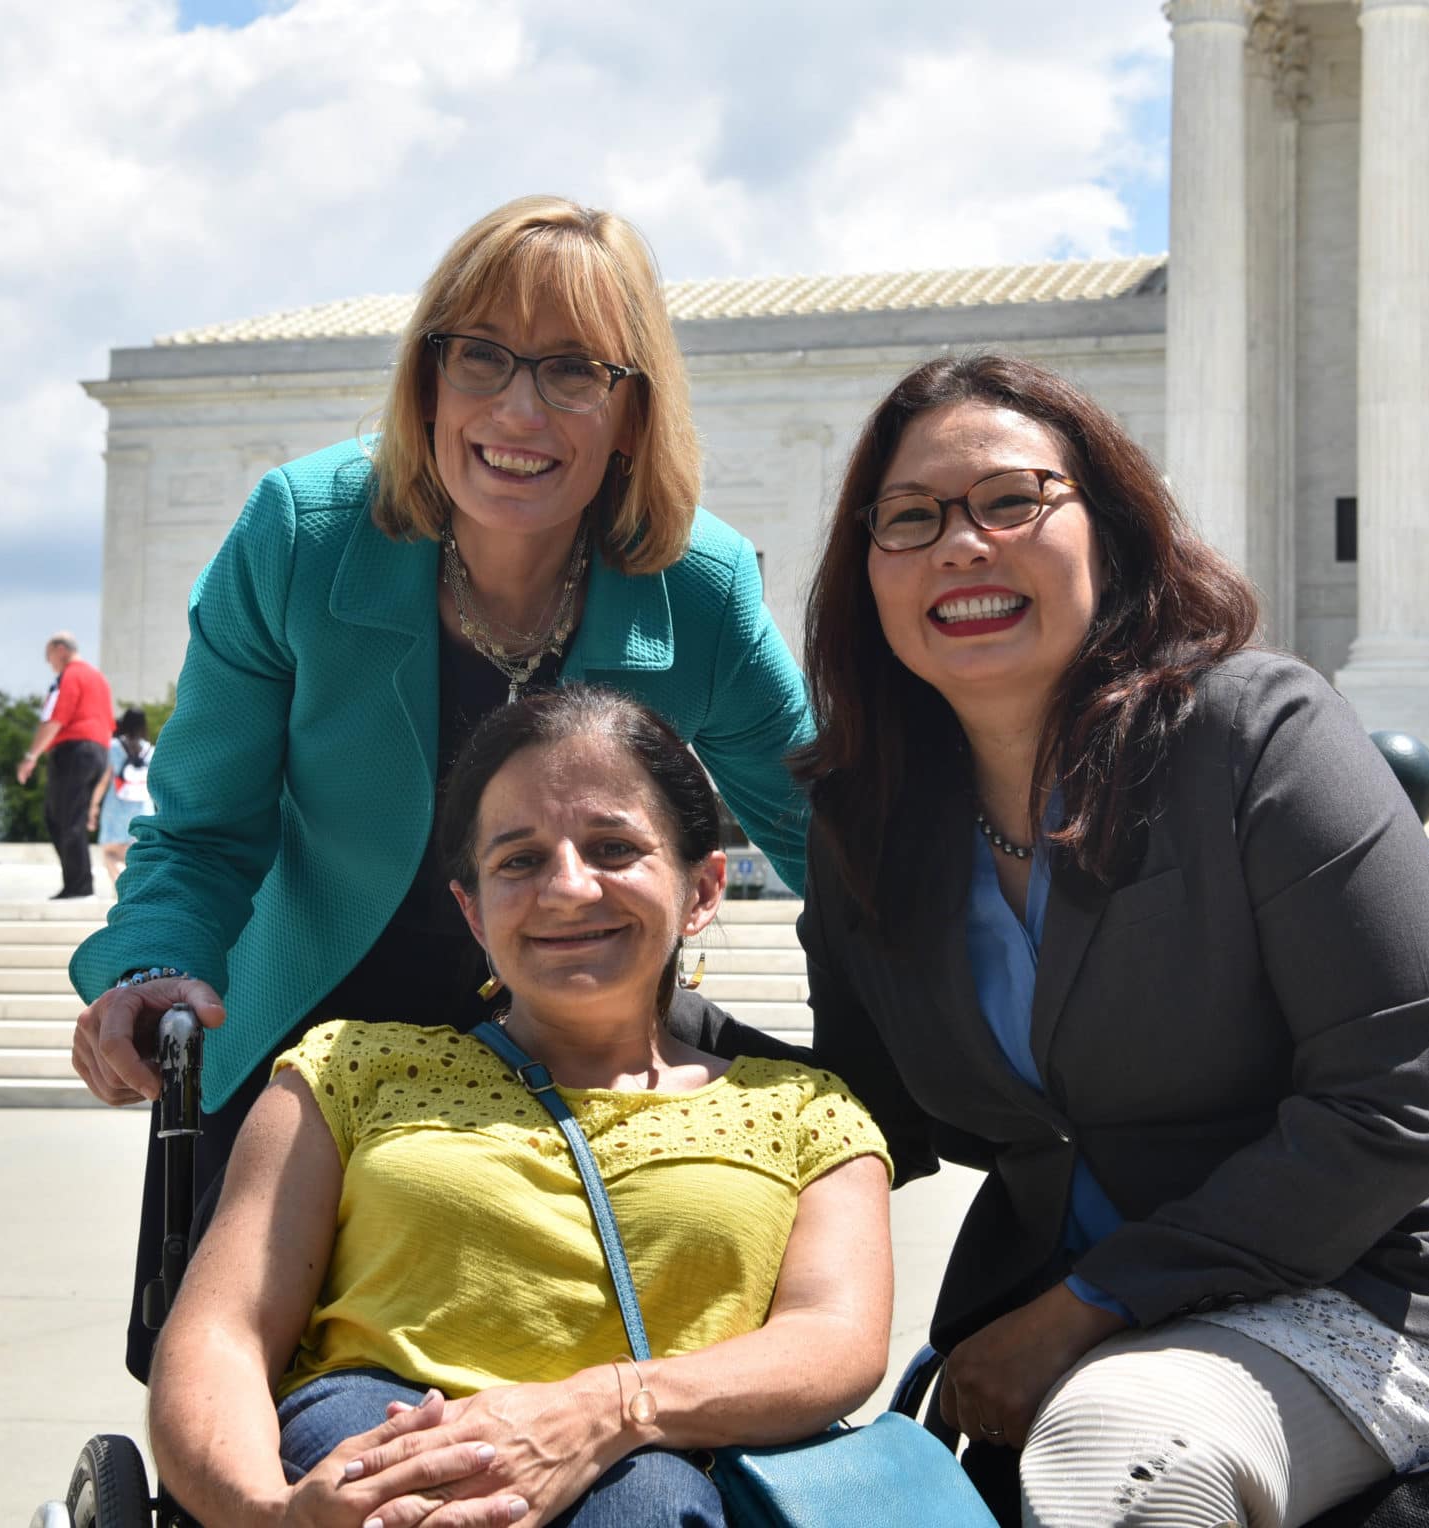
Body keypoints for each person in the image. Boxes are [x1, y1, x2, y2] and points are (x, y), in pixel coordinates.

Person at [793, 354, 1429, 1528]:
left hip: (1380, 1284)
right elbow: (857, 1114)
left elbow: (1399, 1111)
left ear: (1109, 525)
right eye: (909, 518)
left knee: (1123, 1455)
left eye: (1012, 500)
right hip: (1082, 1328)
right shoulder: (868, 819)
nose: (961, 545)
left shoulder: (1256, 736)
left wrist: (1081, 1307)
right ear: (867, 574)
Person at [64, 196, 819, 1380]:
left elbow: (836, 834)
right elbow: (204, 832)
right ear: (426, 382)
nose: (518, 410)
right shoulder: (302, 536)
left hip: (584, 1050)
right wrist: (150, 969)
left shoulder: (699, 583)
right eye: (481, 356)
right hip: (312, 1058)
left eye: (574, 370)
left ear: (632, 413)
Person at [148, 688, 894, 1528]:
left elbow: (836, 1339)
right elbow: (222, 1336)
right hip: (373, 1441)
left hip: (666, 1461)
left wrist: (603, 1410)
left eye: (613, 847)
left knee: (648, 1503)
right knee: (393, 1469)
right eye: (519, 860)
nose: (569, 889)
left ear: (703, 887)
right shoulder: (349, 1069)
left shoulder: (805, 1112)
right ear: (471, 908)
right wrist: (270, 1516)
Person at [17, 631, 114, 899]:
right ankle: (78, 883)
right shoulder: (98, 678)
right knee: (69, 816)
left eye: (49, 657)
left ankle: (79, 885)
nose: (50, 664)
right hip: (98, 750)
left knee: (62, 818)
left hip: (75, 750)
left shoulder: (71, 675)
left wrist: (31, 755)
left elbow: (57, 717)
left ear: (60, 650)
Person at [87, 707, 155, 890]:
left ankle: (122, 888)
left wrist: (93, 807)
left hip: (115, 808)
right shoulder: (150, 750)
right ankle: (133, 890)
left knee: (110, 853)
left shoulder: (114, 747)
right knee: (135, 857)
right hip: (142, 809)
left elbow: (103, 782)